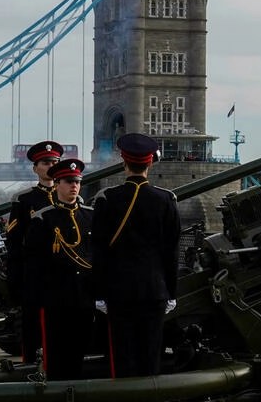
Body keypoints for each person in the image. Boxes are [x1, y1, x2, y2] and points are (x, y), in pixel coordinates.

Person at [91, 133, 180, 378]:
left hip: (118, 292)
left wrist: (99, 294)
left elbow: (98, 251)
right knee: (150, 356)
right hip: (154, 291)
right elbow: (171, 252)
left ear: (124, 162)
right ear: (150, 163)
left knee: (123, 357)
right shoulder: (166, 200)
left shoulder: (107, 199)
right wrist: (171, 292)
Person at [24, 158, 94, 380]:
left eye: (77, 181)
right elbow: (34, 265)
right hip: (55, 298)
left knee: (80, 353)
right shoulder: (44, 219)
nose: (74, 185)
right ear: (57, 183)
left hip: (84, 297)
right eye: (68, 181)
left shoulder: (90, 216)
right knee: (55, 355)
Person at [6, 140, 60, 363]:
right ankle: (29, 364)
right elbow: (15, 241)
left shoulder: (70, 196)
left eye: (54, 162)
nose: (50, 166)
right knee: (31, 324)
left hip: (61, 273)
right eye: (45, 162)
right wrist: (15, 278)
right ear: (35, 167)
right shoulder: (24, 199)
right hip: (34, 272)